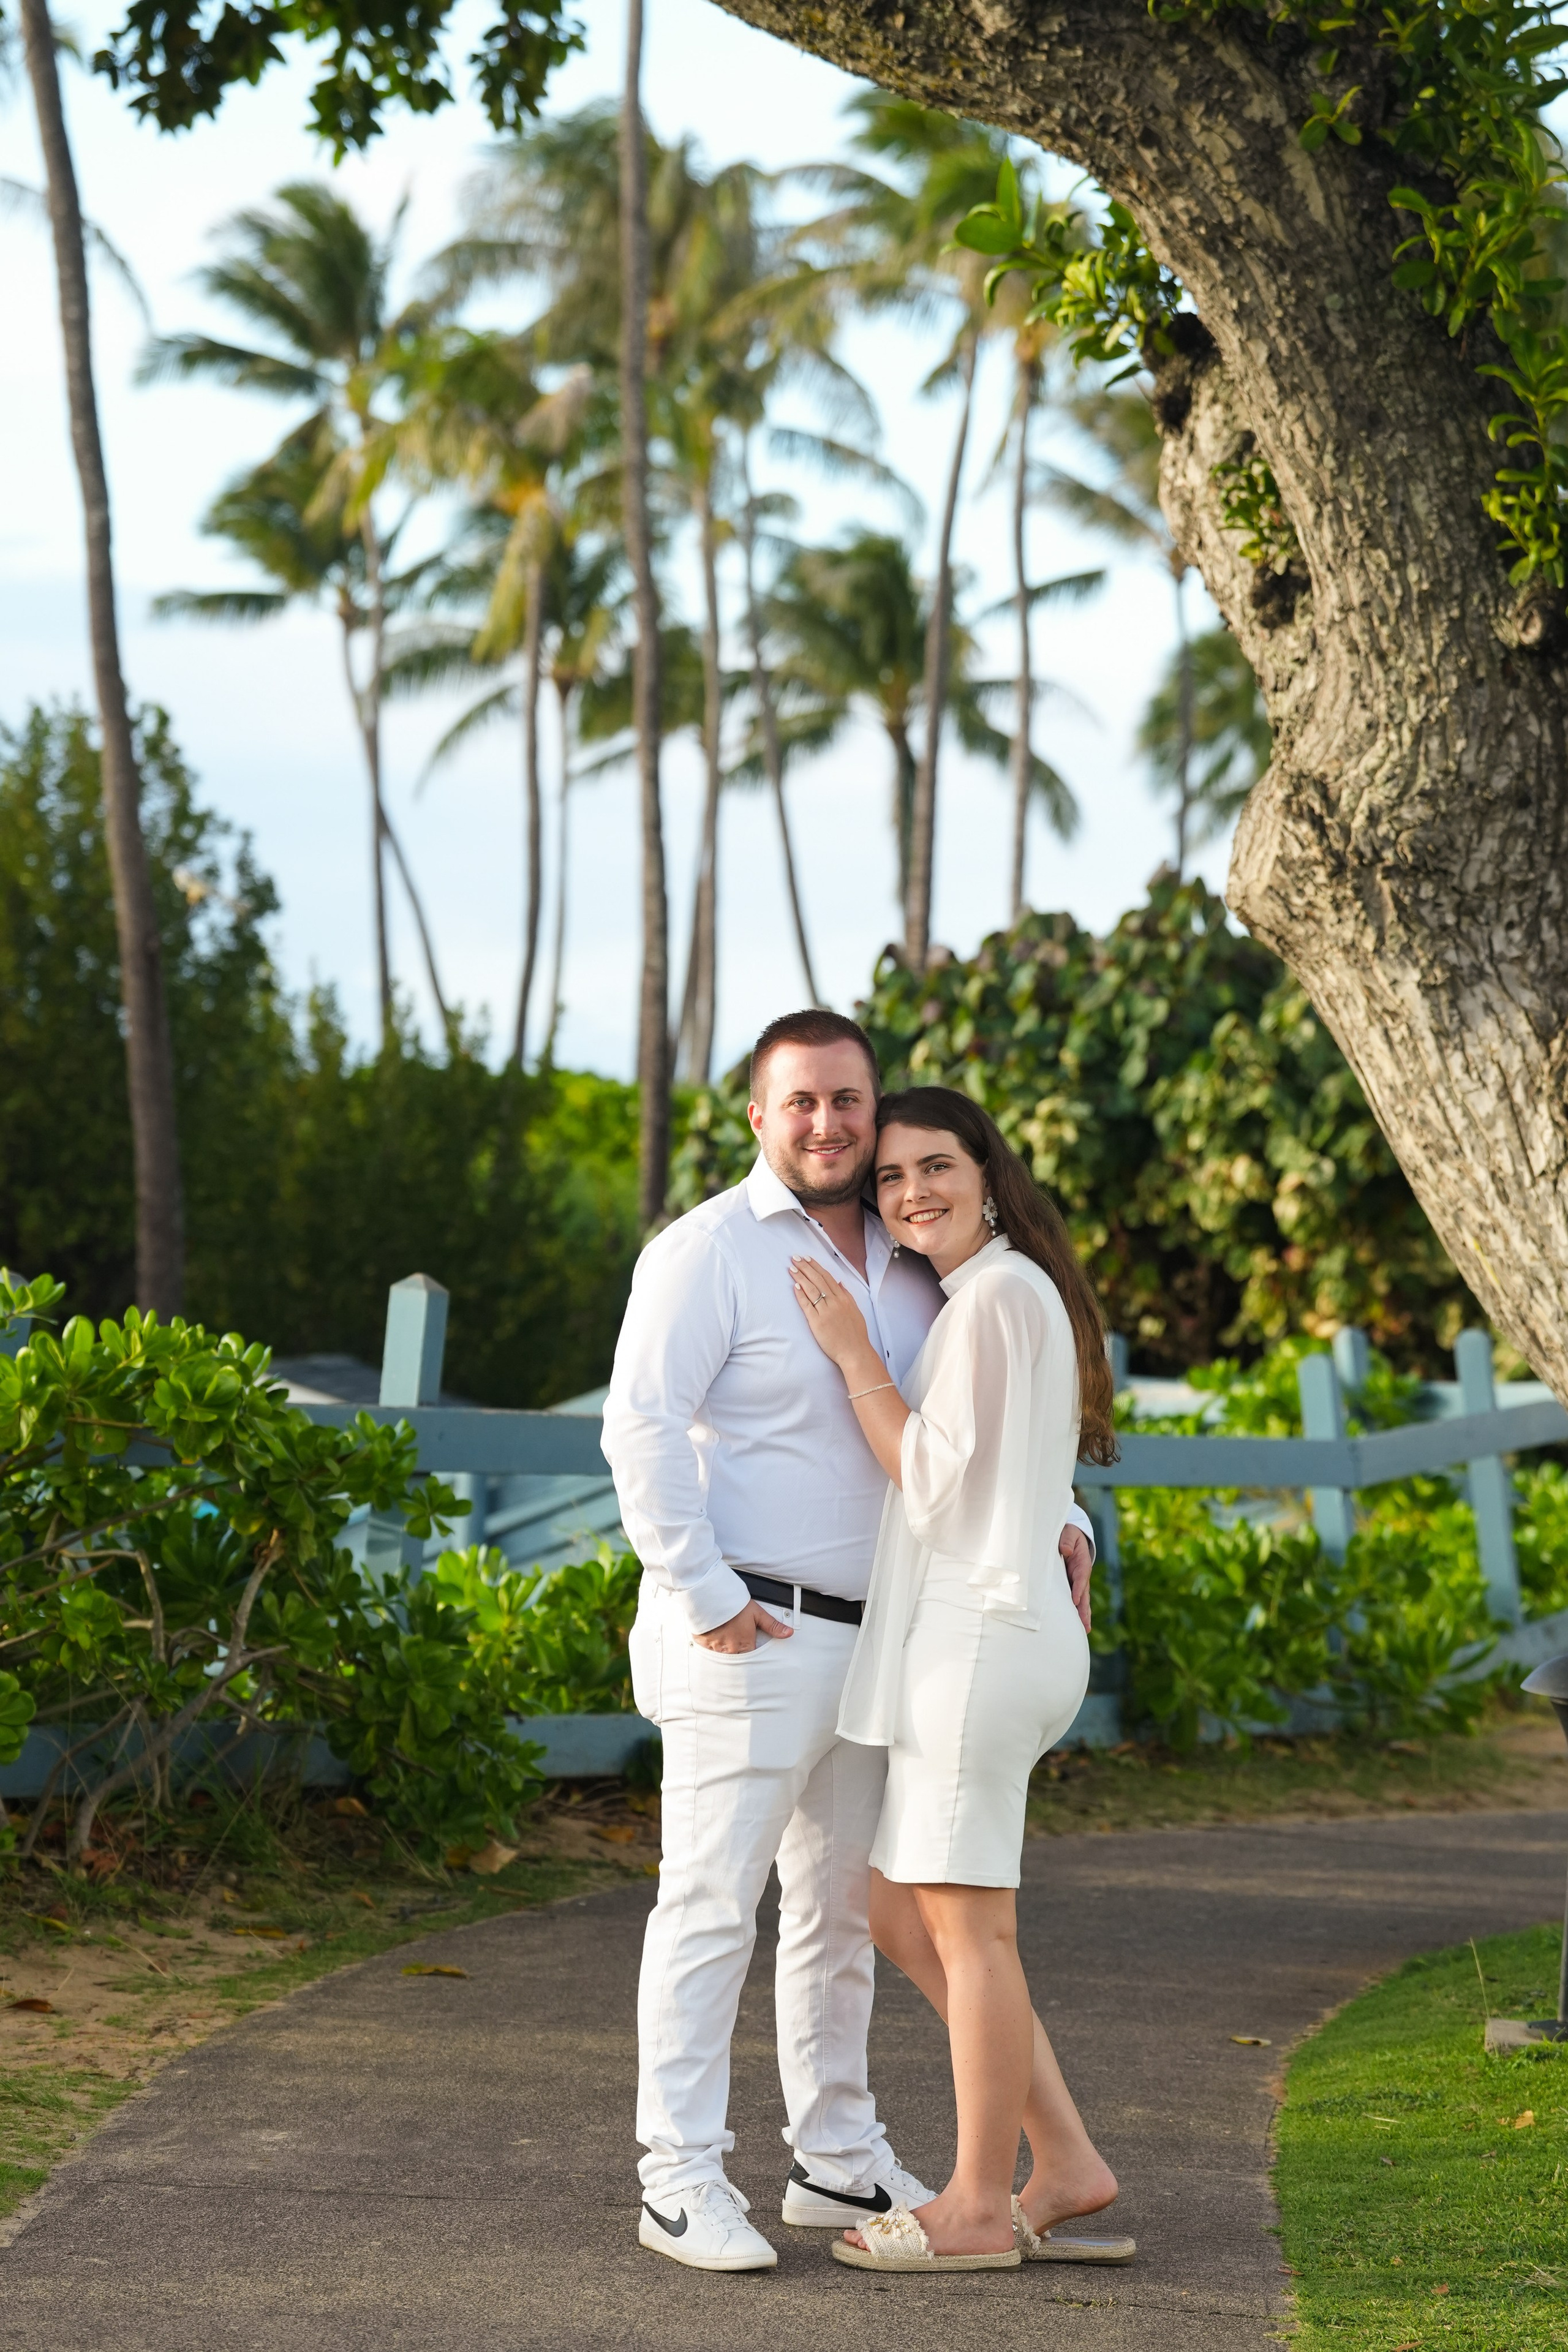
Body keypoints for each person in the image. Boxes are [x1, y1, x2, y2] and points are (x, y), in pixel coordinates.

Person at [601, 1011, 1099, 2272]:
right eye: (801, 1102)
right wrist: (703, 1591)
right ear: (758, 1117)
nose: (828, 1124)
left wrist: (1063, 1513)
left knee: (837, 1918)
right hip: (747, 1631)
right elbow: (639, 1430)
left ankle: (834, 2156)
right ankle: (679, 2177)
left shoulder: (914, 1247)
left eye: (848, 1102)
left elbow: (987, 1418)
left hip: (891, 1641)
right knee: (709, 1907)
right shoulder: (704, 1252)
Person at [790, 1085, 1133, 2275]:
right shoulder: (998, 1299)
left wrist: (849, 1358)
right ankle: (1068, 2164)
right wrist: (1063, 1518)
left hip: (979, 1644)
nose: (909, 1192)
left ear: (987, 1176)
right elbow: (1009, 1465)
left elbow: (930, 1484)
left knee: (971, 1932)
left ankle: (977, 2205)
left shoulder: (990, 1299)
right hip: (987, 1634)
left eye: (933, 1166)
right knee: (898, 1911)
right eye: (888, 1178)